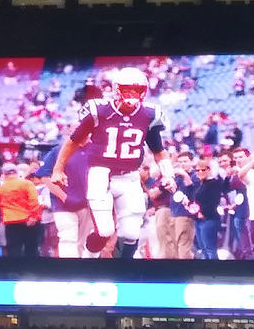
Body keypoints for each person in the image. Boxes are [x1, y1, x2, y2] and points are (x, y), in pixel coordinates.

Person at [51, 66, 176, 257]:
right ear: (117, 89)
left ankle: (125, 269)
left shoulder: (149, 115)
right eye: (128, 89)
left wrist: (168, 174)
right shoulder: (99, 110)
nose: (133, 94)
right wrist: (58, 169)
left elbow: (158, 150)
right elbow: (73, 141)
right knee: (104, 231)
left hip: (130, 176)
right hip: (101, 173)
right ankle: (89, 258)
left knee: (131, 232)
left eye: (137, 89)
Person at [35, 142, 97, 258]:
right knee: (67, 239)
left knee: (85, 241)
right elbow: (44, 176)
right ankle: (70, 272)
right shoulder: (58, 150)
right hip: (63, 204)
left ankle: (84, 272)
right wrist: (63, 197)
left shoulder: (95, 148)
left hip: (89, 203)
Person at [0, 163, 41, 257]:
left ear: (4, 175)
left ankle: (16, 271)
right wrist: (34, 217)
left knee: (14, 250)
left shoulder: (1, 189)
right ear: (17, 173)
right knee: (32, 249)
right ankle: (32, 270)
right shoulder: (27, 183)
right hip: (29, 221)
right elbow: (34, 201)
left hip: (12, 223)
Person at [192, 158, 231, 259]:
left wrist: (203, 212)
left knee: (210, 249)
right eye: (197, 170)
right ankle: (206, 270)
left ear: (208, 170)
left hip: (209, 219)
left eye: (203, 169)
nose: (200, 172)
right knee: (203, 248)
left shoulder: (214, 183)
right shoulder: (201, 184)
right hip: (198, 220)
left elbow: (213, 201)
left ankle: (214, 271)